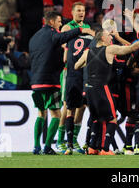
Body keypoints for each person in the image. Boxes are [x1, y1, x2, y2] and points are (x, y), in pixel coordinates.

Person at [75, 28, 139, 155]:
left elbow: (76, 66)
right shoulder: (110, 49)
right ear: (102, 38)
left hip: (88, 89)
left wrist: (90, 64)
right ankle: (105, 149)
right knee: (112, 119)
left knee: (97, 118)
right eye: (108, 35)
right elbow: (131, 48)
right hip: (102, 87)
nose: (111, 38)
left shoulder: (87, 52)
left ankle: (92, 148)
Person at [29, 11, 92, 155]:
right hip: (49, 81)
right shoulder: (52, 34)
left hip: (35, 81)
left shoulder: (34, 37)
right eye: (59, 21)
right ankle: (47, 147)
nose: (61, 24)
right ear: (51, 22)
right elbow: (63, 36)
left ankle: (36, 146)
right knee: (56, 115)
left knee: (41, 113)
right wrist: (81, 29)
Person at [57, 2, 95, 154]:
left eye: (83, 10)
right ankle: (60, 141)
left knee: (83, 106)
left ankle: (73, 140)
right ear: (72, 12)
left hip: (84, 73)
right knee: (67, 105)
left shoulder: (88, 28)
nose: (81, 13)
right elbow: (63, 47)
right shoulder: (67, 28)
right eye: (78, 10)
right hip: (70, 71)